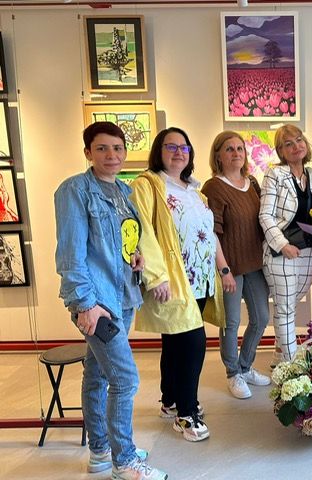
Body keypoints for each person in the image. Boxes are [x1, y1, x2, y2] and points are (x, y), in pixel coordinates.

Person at [54, 121, 166, 479]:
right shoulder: (75, 190)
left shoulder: (123, 190)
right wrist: (84, 304)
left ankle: (101, 451)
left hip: (123, 295)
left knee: (98, 373)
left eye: (117, 148)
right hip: (97, 302)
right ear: (88, 152)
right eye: (102, 148)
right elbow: (70, 255)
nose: (111, 155)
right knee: (125, 379)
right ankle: (124, 462)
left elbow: (122, 238)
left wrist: (135, 256)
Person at [130, 127, 215, 442]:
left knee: (175, 343)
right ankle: (186, 414)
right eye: (171, 146)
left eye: (184, 147)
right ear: (158, 150)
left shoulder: (194, 189)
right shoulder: (147, 184)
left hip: (200, 278)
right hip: (173, 278)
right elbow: (142, 231)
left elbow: (208, 232)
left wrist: (221, 269)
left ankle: (169, 400)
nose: (179, 152)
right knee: (193, 343)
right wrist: (156, 276)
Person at [202, 131, 271, 400]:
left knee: (261, 318)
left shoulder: (252, 183)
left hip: (254, 263)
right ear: (218, 155)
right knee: (231, 323)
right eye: (229, 149)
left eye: (240, 148)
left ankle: (245, 366)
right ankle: (233, 373)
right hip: (229, 266)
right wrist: (224, 270)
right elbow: (211, 233)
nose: (236, 153)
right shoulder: (213, 187)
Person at [259, 124, 312, 362]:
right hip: (282, 252)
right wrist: (282, 244)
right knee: (285, 308)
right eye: (288, 144)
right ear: (281, 151)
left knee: (290, 305)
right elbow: (265, 215)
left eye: (299, 140)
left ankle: (280, 354)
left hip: (310, 251)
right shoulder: (274, 175)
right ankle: (292, 365)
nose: (296, 146)